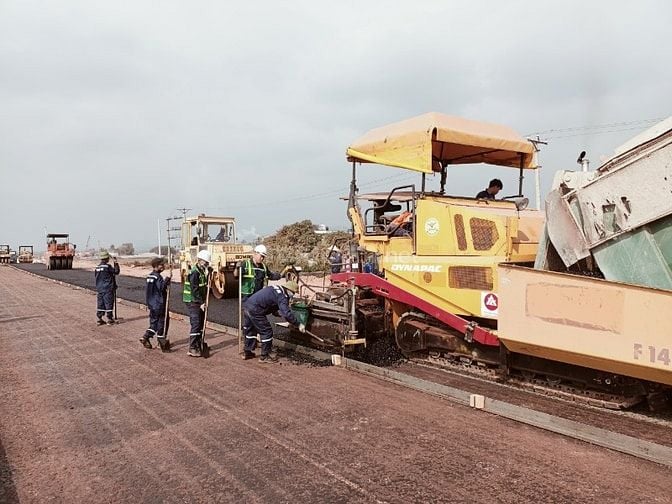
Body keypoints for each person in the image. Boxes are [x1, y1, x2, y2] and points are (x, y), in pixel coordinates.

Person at [243, 281, 305, 362]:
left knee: (250, 330)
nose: (292, 295)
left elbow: (269, 300)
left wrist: (275, 312)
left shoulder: (275, 288)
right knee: (267, 332)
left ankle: (247, 352)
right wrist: (298, 324)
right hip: (256, 310)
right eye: (293, 292)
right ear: (289, 290)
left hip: (248, 305)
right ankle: (264, 356)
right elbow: (286, 314)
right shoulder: (282, 296)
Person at [182, 250, 211, 357]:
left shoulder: (201, 271)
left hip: (198, 301)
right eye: (205, 262)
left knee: (201, 322)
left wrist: (210, 275)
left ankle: (199, 343)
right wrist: (201, 303)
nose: (206, 264)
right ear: (199, 260)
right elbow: (195, 290)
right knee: (196, 323)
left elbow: (203, 285)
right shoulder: (194, 272)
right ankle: (192, 347)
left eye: (207, 262)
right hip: (192, 300)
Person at [140, 257, 171, 352]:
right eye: (161, 265)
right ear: (157, 266)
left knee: (154, 323)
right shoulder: (158, 277)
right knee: (162, 322)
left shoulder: (150, 276)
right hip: (159, 304)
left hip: (151, 304)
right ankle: (162, 343)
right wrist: (167, 280)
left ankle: (146, 336)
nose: (163, 267)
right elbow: (161, 288)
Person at [95, 250, 120, 325]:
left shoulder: (97, 267)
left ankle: (100, 318)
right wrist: (116, 262)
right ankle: (109, 319)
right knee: (108, 303)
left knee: (101, 303)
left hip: (100, 288)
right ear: (106, 259)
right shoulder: (107, 267)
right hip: (108, 288)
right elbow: (116, 272)